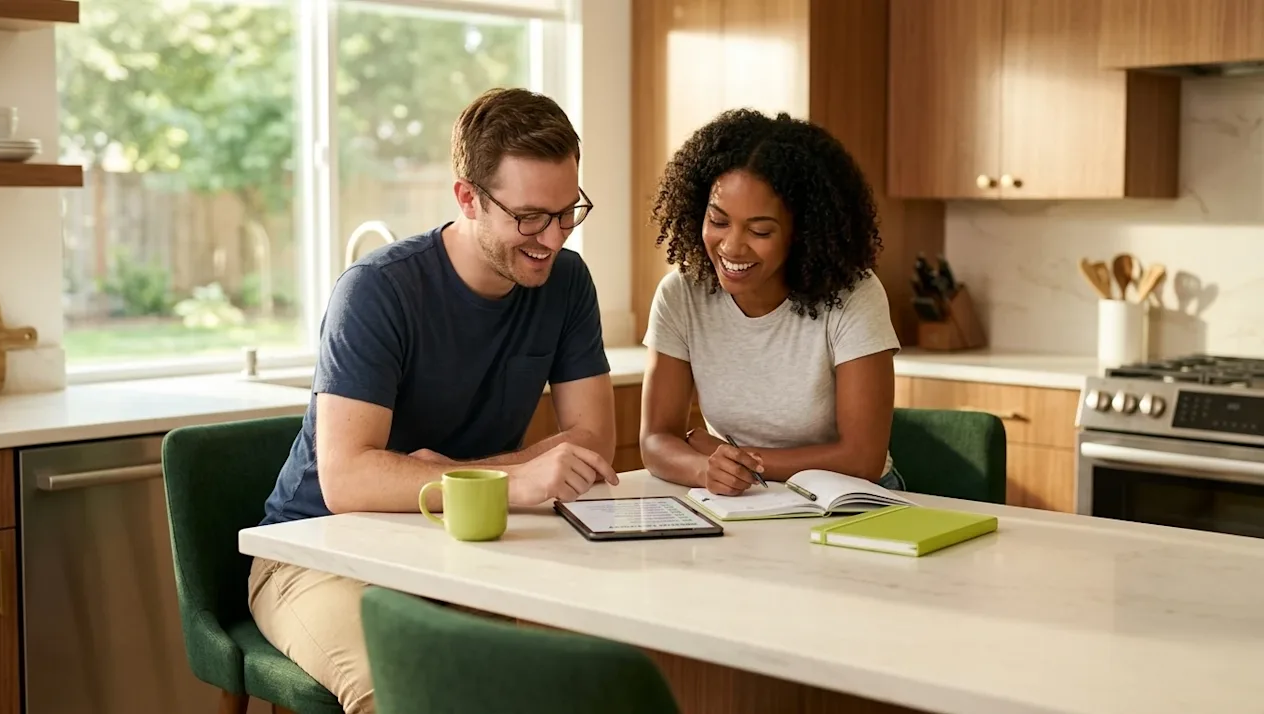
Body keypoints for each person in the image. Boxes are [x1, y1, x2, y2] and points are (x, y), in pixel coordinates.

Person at [249, 87, 619, 714]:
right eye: (529, 217)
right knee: (406, 696)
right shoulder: (377, 292)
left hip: (462, 550)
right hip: (319, 555)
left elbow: (592, 444)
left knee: (579, 677)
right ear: (467, 197)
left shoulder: (566, 282)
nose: (551, 239)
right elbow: (348, 480)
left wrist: (437, 476)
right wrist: (517, 475)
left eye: (566, 213)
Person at [638, 107, 902, 498]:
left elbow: (862, 458)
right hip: (744, 500)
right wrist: (704, 468)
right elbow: (657, 438)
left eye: (760, 230)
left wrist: (735, 458)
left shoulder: (854, 295)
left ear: (802, 233)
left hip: (848, 498)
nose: (731, 246)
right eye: (719, 221)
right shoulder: (681, 295)